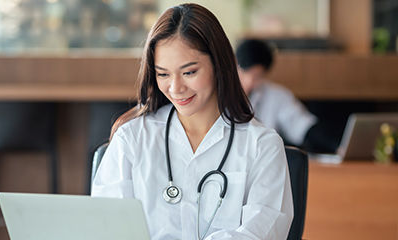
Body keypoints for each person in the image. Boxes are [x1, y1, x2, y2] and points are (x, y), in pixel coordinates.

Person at [92, 4, 293, 240]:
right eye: (163, 74)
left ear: (219, 65)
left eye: (189, 72)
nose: (176, 88)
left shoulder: (262, 145)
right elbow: (107, 228)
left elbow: (262, 233)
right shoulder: (132, 139)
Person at [236, 39, 338, 153]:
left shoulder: (275, 95)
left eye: (257, 76)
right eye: (245, 72)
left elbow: (302, 126)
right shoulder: (218, 95)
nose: (250, 81)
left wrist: (336, 146)